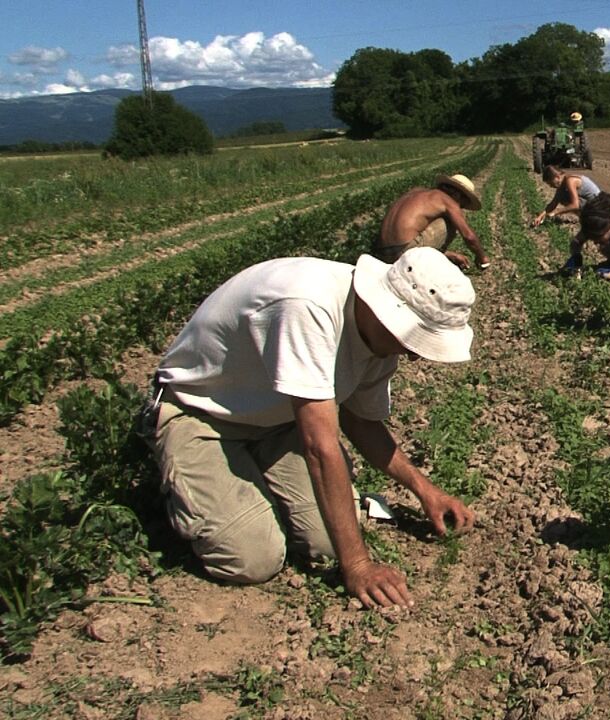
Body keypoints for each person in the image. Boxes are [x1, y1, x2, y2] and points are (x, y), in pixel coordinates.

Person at [140, 247, 478, 608]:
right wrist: (359, 566)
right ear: (388, 312)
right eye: (413, 340)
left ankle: (250, 474)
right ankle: (170, 481)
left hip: (277, 421)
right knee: (254, 557)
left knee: (329, 543)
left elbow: (361, 420)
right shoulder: (307, 307)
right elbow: (320, 446)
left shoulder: (379, 339)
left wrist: (425, 490)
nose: (413, 354)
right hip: (203, 414)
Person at [374, 174, 490, 270]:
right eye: (463, 203)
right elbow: (469, 236)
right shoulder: (447, 200)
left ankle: (439, 256)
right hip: (405, 255)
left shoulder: (417, 192)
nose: (461, 206)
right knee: (450, 221)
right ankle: (428, 266)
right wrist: (482, 257)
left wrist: (449, 255)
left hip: (381, 254)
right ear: (458, 195)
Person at [531, 165, 600, 228]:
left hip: (600, 206)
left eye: (551, 183)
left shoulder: (570, 181)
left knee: (566, 198)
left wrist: (556, 212)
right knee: (562, 196)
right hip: (594, 205)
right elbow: (553, 203)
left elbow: (575, 205)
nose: (551, 186)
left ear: (557, 177)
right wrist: (541, 216)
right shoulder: (563, 184)